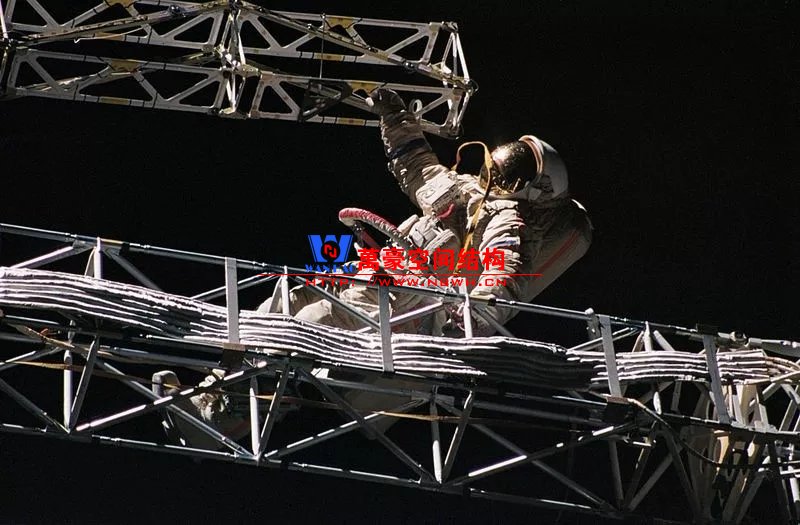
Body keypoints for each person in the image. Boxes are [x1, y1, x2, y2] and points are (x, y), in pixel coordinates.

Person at [261, 88, 592, 336]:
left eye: (515, 170)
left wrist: (474, 314)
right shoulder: (465, 188)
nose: (500, 168)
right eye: (509, 158)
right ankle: (235, 363)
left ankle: (264, 378)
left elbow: (504, 270)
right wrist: (394, 116)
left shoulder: (508, 220)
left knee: (315, 319)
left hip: (407, 299)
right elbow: (416, 163)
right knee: (288, 298)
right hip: (381, 271)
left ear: (534, 191)